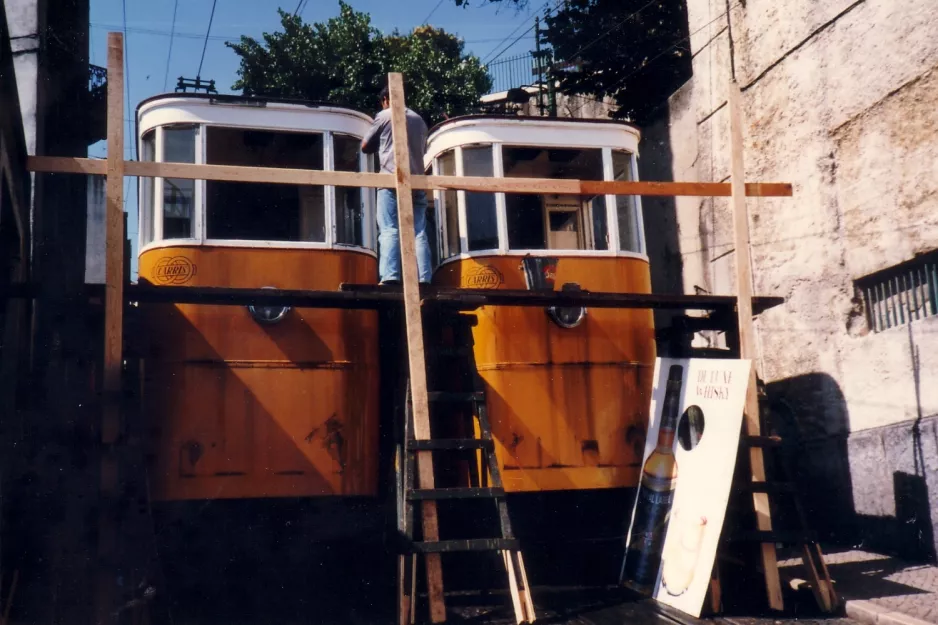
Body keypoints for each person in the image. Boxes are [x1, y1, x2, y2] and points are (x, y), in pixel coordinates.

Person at [361, 86, 432, 285]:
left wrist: (382, 143)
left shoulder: (384, 116)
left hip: (391, 180)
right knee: (418, 231)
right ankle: (424, 277)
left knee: (389, 228)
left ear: (385, 99)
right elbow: (422, 150)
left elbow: (365, 146)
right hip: (417, 182)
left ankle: (391, 276)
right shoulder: (420, 121)